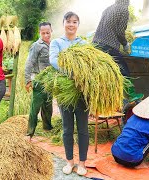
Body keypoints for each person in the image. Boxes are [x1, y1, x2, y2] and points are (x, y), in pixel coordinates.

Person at [49, 11, 89, 176]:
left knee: (83, 129)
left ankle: (82, 164)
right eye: (68, 21)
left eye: (74, 22)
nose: (71, 25)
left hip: (81, 92)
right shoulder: (57, 42)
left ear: (78, 25)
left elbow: (89, 63)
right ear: (63, 23)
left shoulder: (83, 44)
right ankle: (69, 162)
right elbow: (53, 60)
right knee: (67, 129)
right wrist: (73, 72)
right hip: (65, 92)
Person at [93, 0, 143, 103]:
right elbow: (120, 32)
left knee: (109, 72)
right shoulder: (124, 9)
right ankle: (131, 95)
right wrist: (125, 44)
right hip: (108, 45)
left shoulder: (108, 8)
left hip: (96, 44)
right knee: (123, 69)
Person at [25, 22, 53, 140]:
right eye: (43, 33)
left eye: (48, 32)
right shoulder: (36, 46)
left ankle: (47, 127)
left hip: (49, 80)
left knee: (48, 106)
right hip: (38, 80)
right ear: (39, 33)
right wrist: (27, 80)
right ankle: (30, 132)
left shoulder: (53, 44)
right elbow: (29, 63)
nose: (46, 35)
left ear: (51, 31)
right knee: (35, 108)